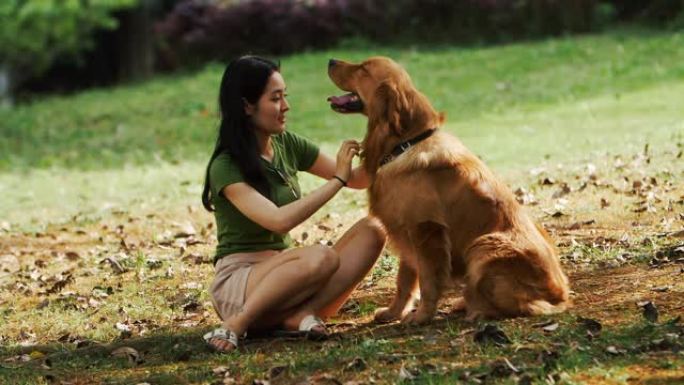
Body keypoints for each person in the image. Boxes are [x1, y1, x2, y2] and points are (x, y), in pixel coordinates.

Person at [200, 56, 386, 353]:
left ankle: (298, 315)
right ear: (247, 106)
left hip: (290, 284)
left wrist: (387, 132)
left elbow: (358, 178)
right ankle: (238, 323)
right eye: (275, 98)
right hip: (241, 284)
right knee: (320, 257)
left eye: (285, 96)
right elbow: (278, 221)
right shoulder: (225, 166)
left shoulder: (287, 144)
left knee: (373, 229)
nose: (285, 106)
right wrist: (336, 180)